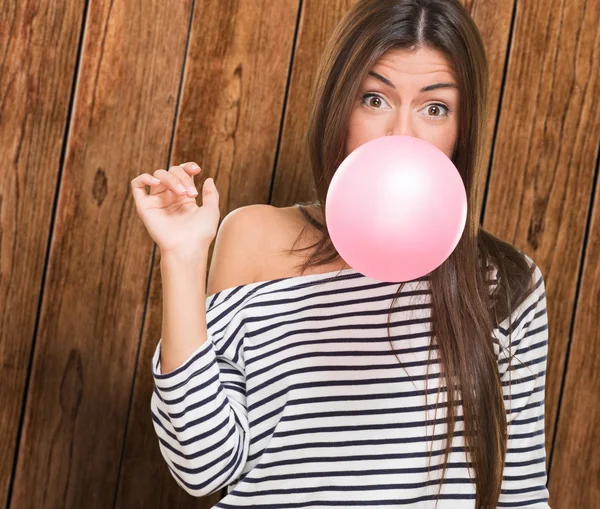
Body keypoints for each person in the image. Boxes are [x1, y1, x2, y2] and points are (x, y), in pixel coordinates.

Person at [130, 0, 551, 507]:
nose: (401, 132)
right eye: (375, 99)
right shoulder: (254, 238)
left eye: (434, 108)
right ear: (340, 106)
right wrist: (180, 257)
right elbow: (202, 466)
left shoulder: (506, 283)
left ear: (462, 129)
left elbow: (521, 496)